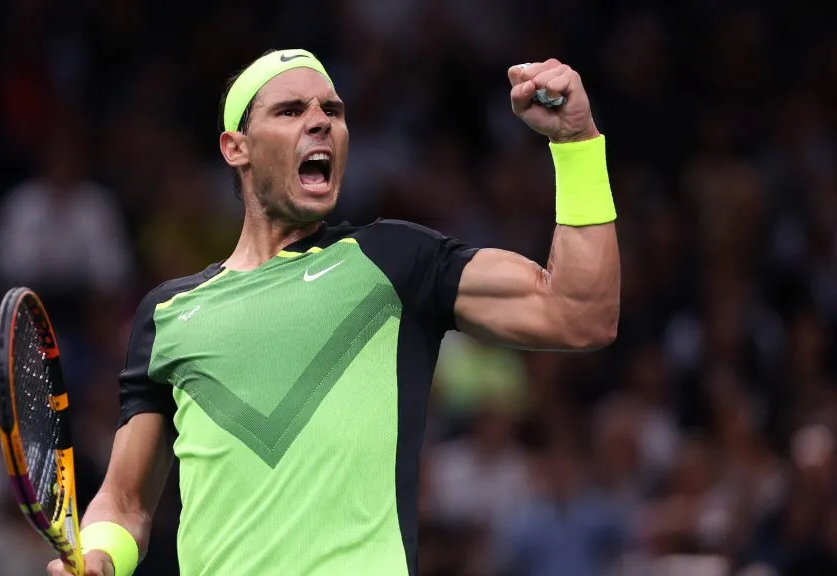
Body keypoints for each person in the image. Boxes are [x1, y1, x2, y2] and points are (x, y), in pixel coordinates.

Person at [48, 49, 620, 576]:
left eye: (333, 110)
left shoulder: (394, 261)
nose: (320, 121)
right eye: (291, 110)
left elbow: (580, 313)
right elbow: (124, 502)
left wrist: (577, 144)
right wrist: (99, 556)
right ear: (236, 147)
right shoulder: (169, 314)